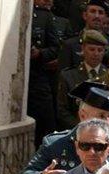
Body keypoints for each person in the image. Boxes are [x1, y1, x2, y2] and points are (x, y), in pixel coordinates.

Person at [57, 30, 108, 130]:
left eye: (100, 50)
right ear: (83, 49)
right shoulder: (68, 76)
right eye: (92, 49)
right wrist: (82, 128)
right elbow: (62, 111)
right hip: (75, 129)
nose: (96, 53)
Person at [28, 0, 61, 147]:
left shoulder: (44, 16)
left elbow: (55, 48)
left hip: (37, 76)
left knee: (45, 121)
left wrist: (40, 53)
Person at [58, 0, 109, 71]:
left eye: (100, 13)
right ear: (85, 15)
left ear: (105, 17)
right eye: (93, 11)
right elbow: (63, 74)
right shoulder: (70, 44)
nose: (97, 16)